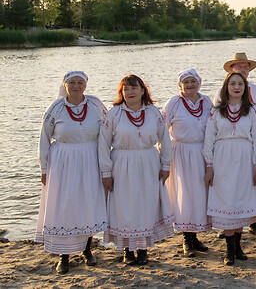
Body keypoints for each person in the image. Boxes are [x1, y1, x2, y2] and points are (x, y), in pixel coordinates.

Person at [36, 71, 108, 274]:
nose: (76, 86)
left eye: (80, 82)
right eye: (72, 82)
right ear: (65, 85)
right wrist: (44, 168)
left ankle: (87, 249)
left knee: (87, 203)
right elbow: (44, 137)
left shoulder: (95, 104)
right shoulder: (56, 108)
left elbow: (110, 126)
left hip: (91, 158)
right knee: (65, 205)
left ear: (85, 85)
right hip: (63, 161)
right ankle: (64, 255)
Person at [98, 75, 174, 266]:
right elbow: (103, 144)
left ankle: (143, 249)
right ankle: (127, 249)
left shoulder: (153, 113)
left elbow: (164, 139)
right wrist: (106, 172)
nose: (130, 92)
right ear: (121, 93)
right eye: (126, 89)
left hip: (148, 162)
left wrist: (166, 165)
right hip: (122, 163)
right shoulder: (114, 114)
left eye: (134, 88)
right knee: (125, 206)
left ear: (142, 90)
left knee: (145, 204)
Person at [203, 72, 256, 265]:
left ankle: (237, 247)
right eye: (232, 83)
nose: (236, 87)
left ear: (245, 87)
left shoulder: (252, 111)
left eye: (240, 84)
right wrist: (209, 167)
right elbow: (208, 141)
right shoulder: (216, 111)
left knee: (241, 202)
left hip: (244, 160)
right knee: (227, 203)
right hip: (222, 160)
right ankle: (229, 250)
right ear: (226, 86)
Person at [162, 69, 214, 257]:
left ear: (199, 82)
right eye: (186, 82)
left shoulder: (206, 102)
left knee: (199, 194)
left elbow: (213, 127)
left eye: (193, 81)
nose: (190, 85)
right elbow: (162, 129)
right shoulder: (174, 103)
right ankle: (186, 238)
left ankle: (195, 236)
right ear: (180, 85)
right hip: (181, 153)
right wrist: (163, 155)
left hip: (201, 152)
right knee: (184, 194)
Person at [215, 51, 256, 238]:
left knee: (248, 185)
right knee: (228, 186)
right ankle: (228, 225)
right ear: (231, 69)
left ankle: (252, 222)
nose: (243, 69)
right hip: (228, 148)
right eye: (239, 66)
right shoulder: (221, 93)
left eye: (246, 67)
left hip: (249, 143)